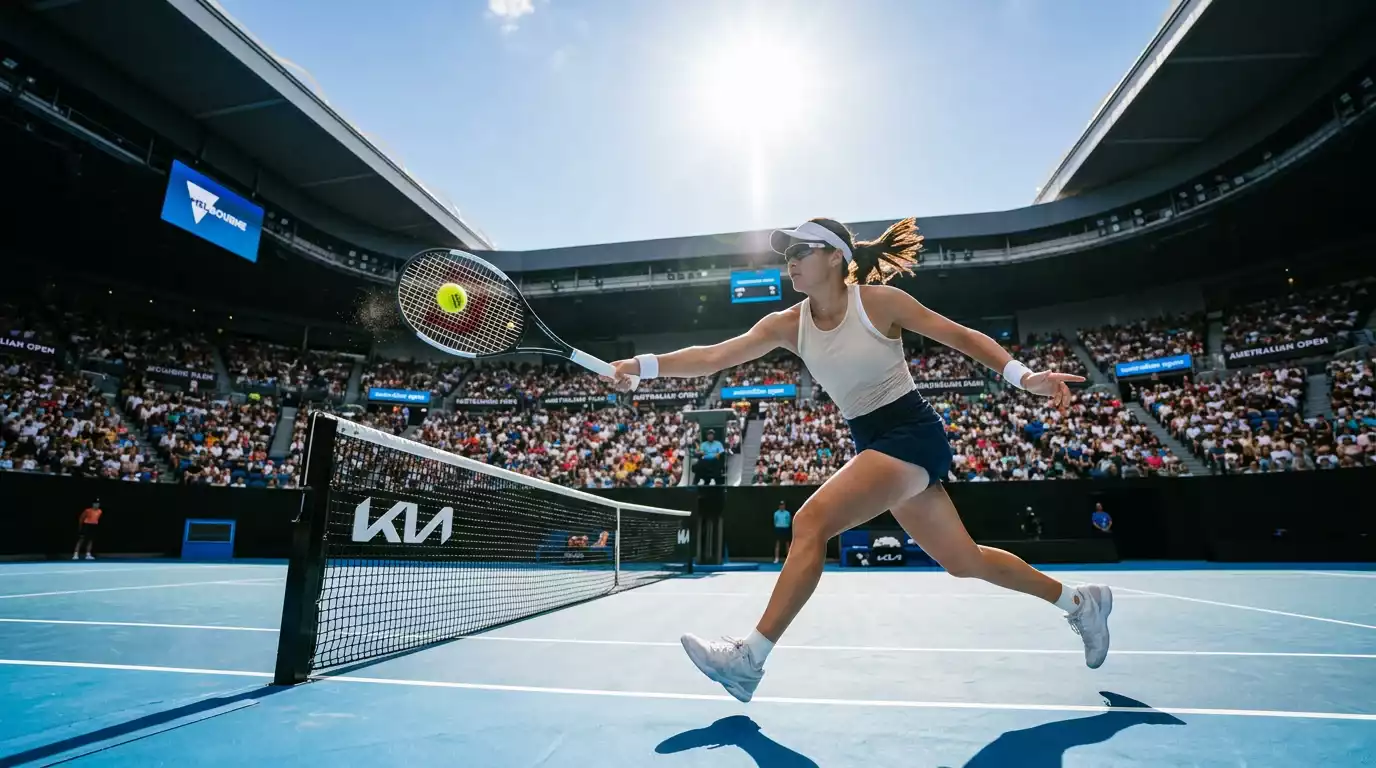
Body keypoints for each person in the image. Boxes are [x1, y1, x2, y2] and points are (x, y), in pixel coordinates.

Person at [609, 217, 1112, 703]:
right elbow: (713, 356)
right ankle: (1079, 601)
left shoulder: (879, 302)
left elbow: (960, 336)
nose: (790, 261)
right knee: (965, 562)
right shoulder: (786, 324)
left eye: (800, 251)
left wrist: (1025, 377)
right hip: (872, 440)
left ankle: (749, 659)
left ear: (835, 258)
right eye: (786, 254)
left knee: (811, 522)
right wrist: (640, 366)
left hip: (911, 434)